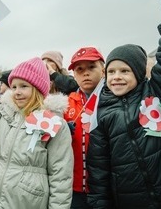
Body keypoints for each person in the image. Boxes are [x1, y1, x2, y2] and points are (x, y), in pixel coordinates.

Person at [87, 0, 161, 208]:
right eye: (111, 71)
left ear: (139, 72)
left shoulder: (160, 91)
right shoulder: (102, 115)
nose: (116, 76)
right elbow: (99, 173)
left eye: (124, 70)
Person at [0, 32, 74, 209]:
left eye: (24, 86)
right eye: (13, 87)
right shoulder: (1, 113)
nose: (17, 91)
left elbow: (61, 177)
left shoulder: (55, 124)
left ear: (38, 89)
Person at [63, 47, 105, 209]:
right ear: (74, 74)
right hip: (75, 187)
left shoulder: (114, 98)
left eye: (91, 67)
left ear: (103, 70)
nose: (85, 73)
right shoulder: (65, 104)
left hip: (107, 186)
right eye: (79, 69)